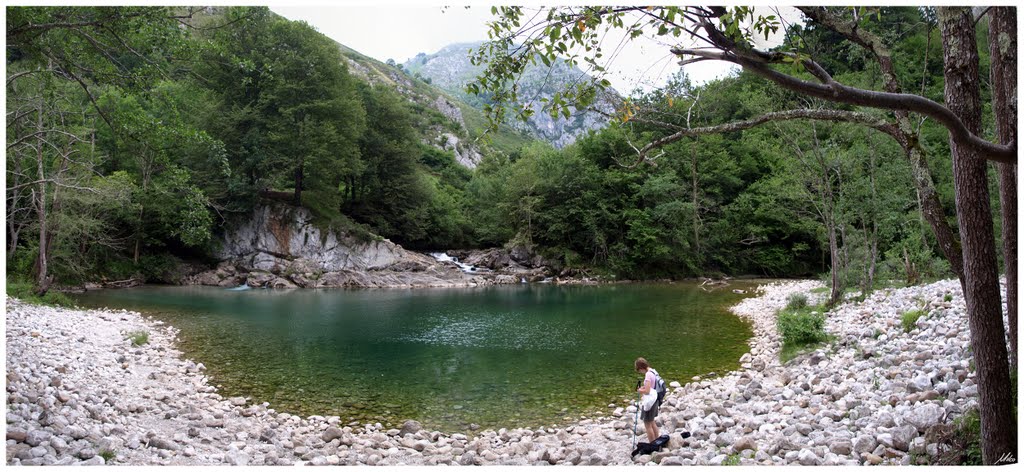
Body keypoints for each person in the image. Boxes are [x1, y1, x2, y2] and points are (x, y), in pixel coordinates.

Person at [634, 357, 661, 442]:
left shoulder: (648, 375)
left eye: (639, 370)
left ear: (641, 368)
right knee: (652, 422)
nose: (639, 372)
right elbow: (652, 386)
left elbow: (647, 391)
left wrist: (639, 390)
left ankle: (652, 444)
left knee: (647, 425)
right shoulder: (653, 371)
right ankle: (657, 442)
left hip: (650, 402)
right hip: (655, 399)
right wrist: (644, 387)